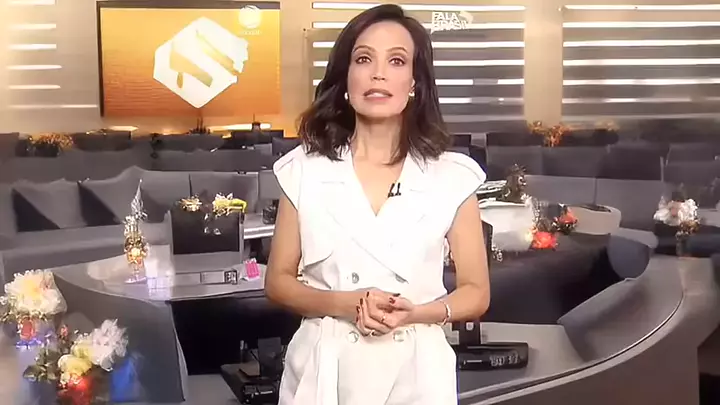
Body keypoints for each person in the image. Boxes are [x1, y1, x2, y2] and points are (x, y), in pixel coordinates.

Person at [265, 4, 490, 404]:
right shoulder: (303, 170)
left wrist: (417, 313)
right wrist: (346, 304)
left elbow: (476, 292)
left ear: (415, 83)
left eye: (397, 61)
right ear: (345, 79)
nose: (379, 73)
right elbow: (278, 282)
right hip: (324, 370)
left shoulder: (452, 177)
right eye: (364, 59)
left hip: (418, 371)